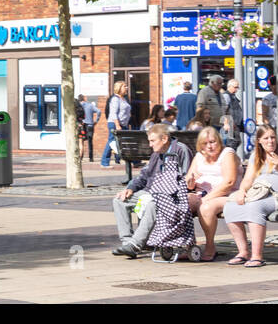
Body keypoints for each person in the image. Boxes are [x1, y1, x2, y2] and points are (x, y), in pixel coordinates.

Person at [110, 123, 192, 258]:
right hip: (150, 192)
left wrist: (167, 192)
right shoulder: (156, 154)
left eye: (153, 141)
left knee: (154, 204)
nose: (150, 145)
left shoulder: (181, 150)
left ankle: (135, 245)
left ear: (164, 139)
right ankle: (128, 242)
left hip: (171, 195)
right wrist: (130, 188)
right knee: (119, 200)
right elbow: (144, 175)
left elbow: (186, 178)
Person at [223, 125, 278, 267]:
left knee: (255, 207)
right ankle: (243, 252)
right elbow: (248, 179)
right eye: (266, 138)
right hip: (259, 192)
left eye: (273, 137)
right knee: (230, 206)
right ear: (259, 140)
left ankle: (257, 255)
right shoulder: (256, 156)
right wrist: (242, 191)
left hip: (275, 195)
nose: (270, 141)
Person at [184, 126, 239, 262]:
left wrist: (205, 199)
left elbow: (229, 183)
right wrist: (190, 181)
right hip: (201, 193)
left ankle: (210, 247)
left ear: (219, 141)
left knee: (206, 208)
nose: (209, 146)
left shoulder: (227, 154)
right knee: (181, 203)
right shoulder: (199, 156)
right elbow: (188, 183)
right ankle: (189, 247)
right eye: (205, 143)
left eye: (212, 142)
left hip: (227, 195)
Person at [100, 82, 131, 168]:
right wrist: (117, 125)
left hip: (123, 124)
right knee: (111, 142)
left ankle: (133, 161)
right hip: (115, 124)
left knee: (125, 142)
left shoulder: (123, 98)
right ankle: (104, 162)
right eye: (124, 86)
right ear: (119, 88)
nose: (127, 87)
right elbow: (113, 113)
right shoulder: (115, 99)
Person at [222, 79, 244, 150]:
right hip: (230, 125)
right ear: (229, 86)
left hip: (235, 125)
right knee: (231, 144)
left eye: (237, 87)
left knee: (236, 142)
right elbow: (223, 110)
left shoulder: (232, 96)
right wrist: (226, 123)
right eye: (235, 87)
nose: (237, 89)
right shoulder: (226, 96)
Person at [79, 94, 99, 162]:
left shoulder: (78, 106)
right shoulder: (90, 105)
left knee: (80, 141)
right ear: (84, 98)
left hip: (82, 125)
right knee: (90, 142)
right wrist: (96, 120)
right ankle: (91, 158)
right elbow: (99, 111)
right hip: (90, 125)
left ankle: (80, 157)